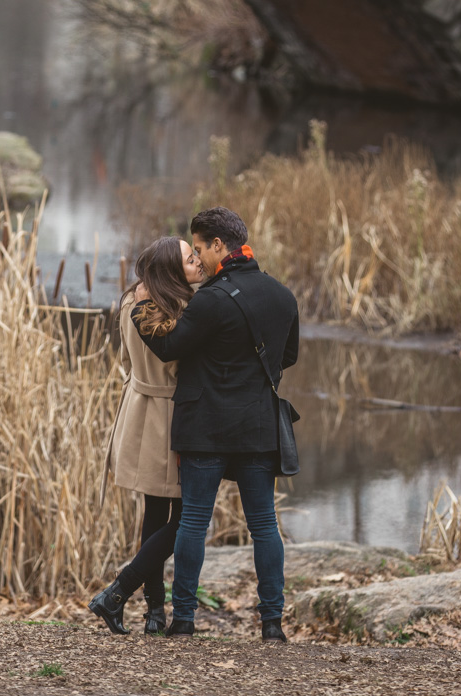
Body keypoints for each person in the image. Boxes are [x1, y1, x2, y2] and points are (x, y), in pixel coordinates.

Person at [132, 207, 299, 643]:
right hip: (259, 426)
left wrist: (142, 303)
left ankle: (183, 620)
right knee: (264, 524)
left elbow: (170, 347)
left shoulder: (210, 298)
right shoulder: (283, 296)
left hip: (205, 427)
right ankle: (272, 624)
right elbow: (288, 356)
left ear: (220, 246)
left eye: (201, 248)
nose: (199, 258)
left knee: (193, 523)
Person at [89, 236, 204, 636]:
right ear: (173, 271)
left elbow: (124, 359)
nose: (199, 261)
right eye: (191, 259)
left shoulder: (129, 301)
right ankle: (119, 593)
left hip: (138, 409)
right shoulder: (179, 311)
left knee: (155, 514)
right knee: (190, 513)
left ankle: (154, 611)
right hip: (172, 416)